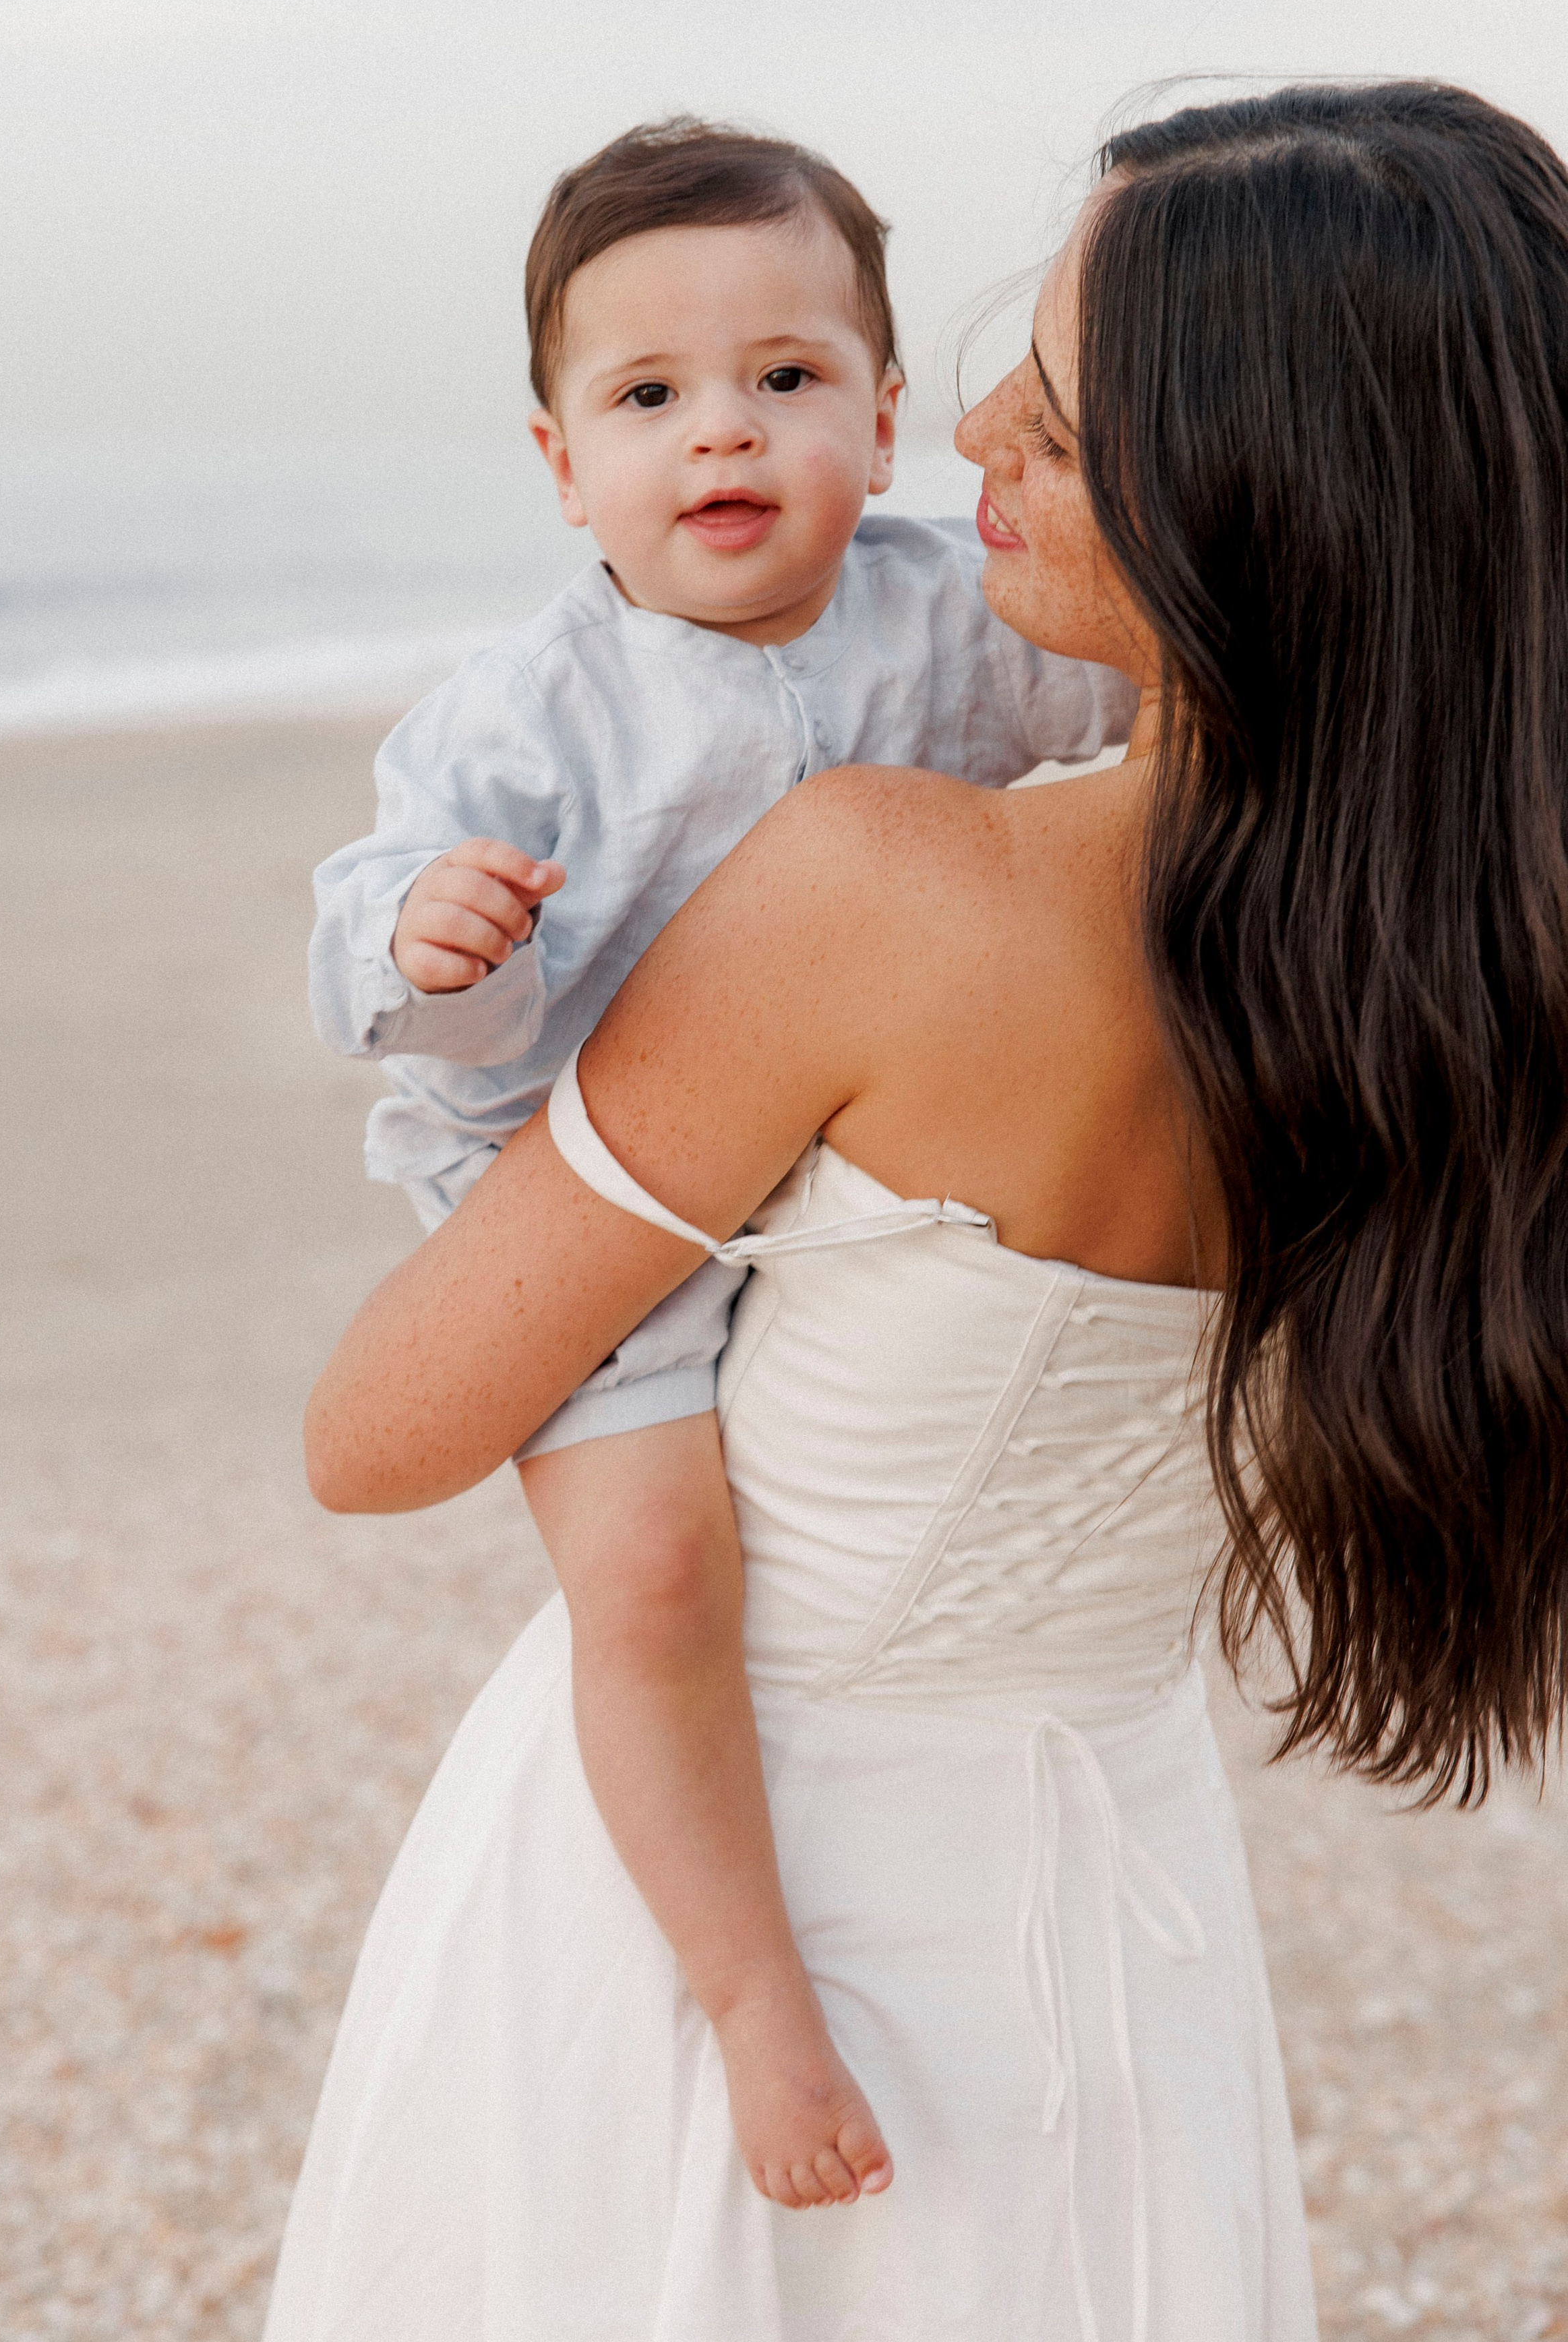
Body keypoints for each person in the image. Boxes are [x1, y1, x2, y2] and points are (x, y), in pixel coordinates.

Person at [266, 81, 1568, 2341]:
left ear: (1269, 498)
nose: (968, 418)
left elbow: (378, 1432)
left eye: (1058, 409)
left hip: (730, 1896)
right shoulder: (1462, 966)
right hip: (1124, 1878)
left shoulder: (890, 885)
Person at [306, 119, 1136, 2200]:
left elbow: (1145, 715)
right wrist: (427, 939)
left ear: (880, 418)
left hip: (845, 1171)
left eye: (784, 380)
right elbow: (373, 936)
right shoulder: (529, 712)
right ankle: (756, 1995)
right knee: (661, 1572)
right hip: (589, 1187)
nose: (721, 435)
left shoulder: (961, 614)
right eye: (648, 397)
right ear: (557, 458)